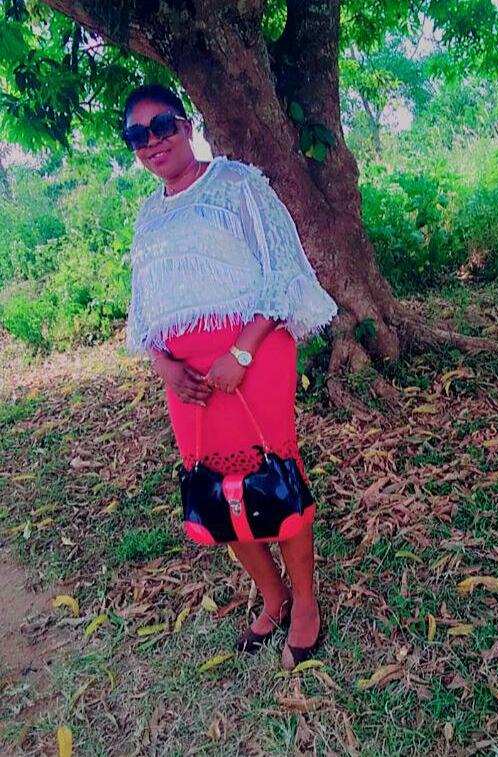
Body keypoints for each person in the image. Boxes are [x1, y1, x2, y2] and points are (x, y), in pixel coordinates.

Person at [122, 84, 337, 669]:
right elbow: (145, 309)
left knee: (274, 475)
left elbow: (282, 271)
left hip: (254, 356)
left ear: (186, 125)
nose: (152, 142)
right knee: (217, 488)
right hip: (189, 380)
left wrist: (240, 355)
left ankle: (305, 606)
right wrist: (165, 366)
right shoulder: (148, 216)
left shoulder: (237, 184)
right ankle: (273, 597)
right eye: (137, 135)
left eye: (162, 126)